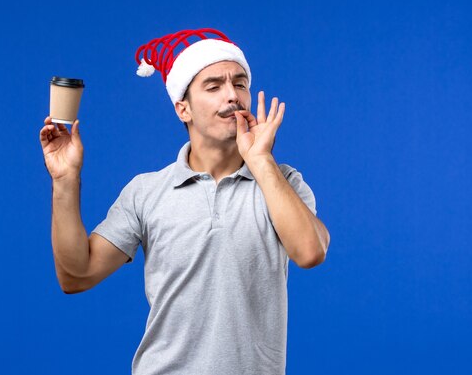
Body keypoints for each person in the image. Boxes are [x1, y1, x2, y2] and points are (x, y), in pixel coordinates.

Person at [39, 28, 330, 375]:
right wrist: (65, 180)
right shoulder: (146, 192)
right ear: (183, 109)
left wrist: (261, 161)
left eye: (239, 84)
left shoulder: (283, 182)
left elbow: (310, 252)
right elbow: (76, 275)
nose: (232, 96)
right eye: (213, 86)